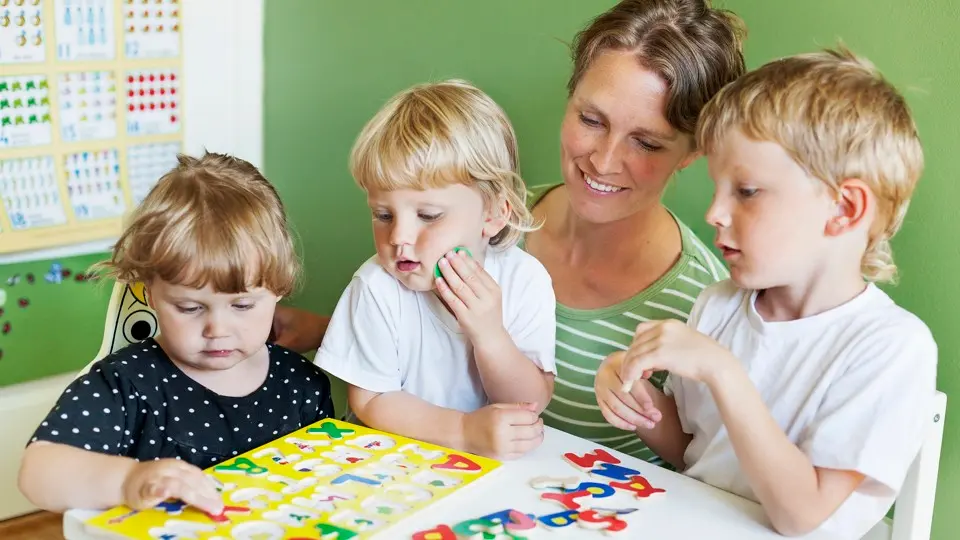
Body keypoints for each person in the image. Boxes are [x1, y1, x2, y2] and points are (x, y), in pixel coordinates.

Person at [271, 0, 747, 464]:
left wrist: (638, 403)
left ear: (692, 151)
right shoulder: (474, 216)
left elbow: (703, 464)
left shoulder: (705, 303)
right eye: (590, 119)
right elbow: (413, 340)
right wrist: (330, 329)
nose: (603, 161)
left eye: (645, 142)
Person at [595, 47, 937, 539]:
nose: (714, 212)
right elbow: (691, 452)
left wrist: (723, 370)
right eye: (718, 189)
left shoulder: (891, 347)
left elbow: (801, 515)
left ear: (843, 208)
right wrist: (638, 400)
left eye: (747, 191)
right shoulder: (719, 305)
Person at [18, 152, 335, 515]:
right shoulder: (127, 383)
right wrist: (129, 480)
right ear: (149, 292)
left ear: (279, 288)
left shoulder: (302, 383)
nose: (217, 329)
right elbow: (38, 470)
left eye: (242, 306)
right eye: (190, 308)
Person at [314, 80, 557, 460]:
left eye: (428, 215)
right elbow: (370, 399)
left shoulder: (525, 280)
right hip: (387, 464)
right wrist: (462, 431)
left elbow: (529, 403)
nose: (399, 236)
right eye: (383, 215)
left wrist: (490, 335)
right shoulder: (378, 286)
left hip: (483, 469)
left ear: (494, 214)